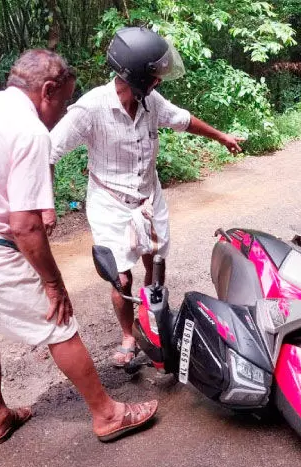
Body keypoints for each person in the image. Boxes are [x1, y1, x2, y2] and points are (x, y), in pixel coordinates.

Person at [0, 49, 157, 445]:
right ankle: (108, 414)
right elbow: (25, 229)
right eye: (63, 101)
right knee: (58, 321)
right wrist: (54, 285)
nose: (63, 112)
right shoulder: (30, 131)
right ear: (47, 90)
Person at [47, 27, 244, 367]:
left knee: (156, 264)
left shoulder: (151, 102)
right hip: (110, 203)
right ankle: (128, 334)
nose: (158, 82)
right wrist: (45, 207)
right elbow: (48, 153)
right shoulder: (90, 108)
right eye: (154, 76)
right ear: (135, 75)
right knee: (121, 277)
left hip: (149, 198)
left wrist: (220, 136)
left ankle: (153, 321)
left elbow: (183, 120)